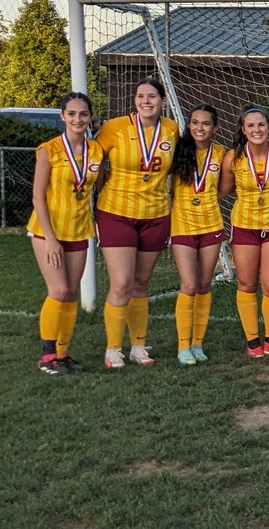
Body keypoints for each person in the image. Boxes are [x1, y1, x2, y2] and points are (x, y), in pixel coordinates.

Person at [94, 78, 181, 369]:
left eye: (152, 96)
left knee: (141, 283)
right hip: (117, 212)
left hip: (156, 214)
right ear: (134, 100)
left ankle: (139, 347)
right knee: (121, 283)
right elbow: (93, 162)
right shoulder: (114, 128)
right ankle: (113, 349)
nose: (146, 101)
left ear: (162, 101)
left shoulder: (171, 130)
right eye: (141, 96)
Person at [27, 92, 103, 375]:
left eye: (83, 114)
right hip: (49, 230)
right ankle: (47, 356)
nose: (77, 119)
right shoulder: (49, 150)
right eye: (71, 114)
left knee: (70, 293)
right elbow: (37, 197)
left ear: (89, 117)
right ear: (62, 116)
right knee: (58, 290)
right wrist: (50, 239)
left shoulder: (96, 150)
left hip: (79, 228)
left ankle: (62, 353)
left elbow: (98, 181)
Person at [218, 107, 269, 358]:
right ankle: (252, 340)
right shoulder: (233, 158)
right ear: (243, 129)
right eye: (250, 126)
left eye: (261, 125)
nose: (256, 130)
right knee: (247, 283)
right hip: (245, 226)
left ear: (268, 127)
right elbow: (224, 191)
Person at [168, 104, 226, 365]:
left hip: (211, 225)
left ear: (215, 128)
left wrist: (206, 203)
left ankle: (198, 343)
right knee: (189, 285)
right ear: (188, 125)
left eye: (205, 123)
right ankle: (183, 346)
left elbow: (224, 189)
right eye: (194, 122)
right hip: (182, 226)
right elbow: (168, 187)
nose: (199, 128)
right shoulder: (177, 151)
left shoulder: (222, 154)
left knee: (204, 285)